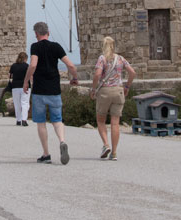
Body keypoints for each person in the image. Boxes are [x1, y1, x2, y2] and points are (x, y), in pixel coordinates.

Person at [24, 21, 78, 165]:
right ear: (48, 32)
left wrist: (26, 81)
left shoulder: (35, 47)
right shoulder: (56, 46)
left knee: (41, 123)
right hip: (54, 89)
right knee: (57, 120)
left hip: (39, 91)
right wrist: (74, 78)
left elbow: (33, 64)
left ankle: (46, 154)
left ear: (36, 34)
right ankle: (62, 141)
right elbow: (71, 65)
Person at [91, 37, 136, 161]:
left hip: (105, 91)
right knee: (115, 123)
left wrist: (93, 89)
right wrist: (127, 86)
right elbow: (132, 72)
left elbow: (97, 74)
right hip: (118, 91)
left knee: (100, 120)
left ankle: (106, 145)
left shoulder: (102, 59)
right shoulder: (121, 59)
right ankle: (114, 153)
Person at [9, 52, 31, 126]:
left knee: (17, 103)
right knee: (25, 103)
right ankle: (24, 120)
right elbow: (30, 76)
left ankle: (18, 120)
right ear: (25, 58)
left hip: (15, 86)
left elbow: (10, 75)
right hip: (25, 86)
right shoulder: (27, 66)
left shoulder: (13, 66)